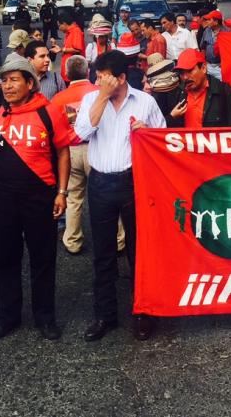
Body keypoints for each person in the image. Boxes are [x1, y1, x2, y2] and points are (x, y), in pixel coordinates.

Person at [0, 55, 74, 342]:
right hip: (1, 197)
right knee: (3, 259)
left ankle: (45, 317)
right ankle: (8, 317)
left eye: (14, 79)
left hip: (39, 196)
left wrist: (62, 193)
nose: (7, 86)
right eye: (4, 80)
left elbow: (63, 152)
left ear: (30, 83)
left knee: (43, 258)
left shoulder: (49, 112)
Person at [75, 50, 167, 342]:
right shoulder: (92, 99)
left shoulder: (145, 102)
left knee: (139, 252)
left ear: (122, 77)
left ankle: (143, 312)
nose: (99, 80)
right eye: (98, 75)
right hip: (100, 182)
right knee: (103, 254)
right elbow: (81, 133)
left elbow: (163, 139)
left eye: (105, 76)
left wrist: (147, 132)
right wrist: (102, 97)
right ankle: (105, 315)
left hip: (134, 182)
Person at [50, 55, 105, 256]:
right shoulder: (98, 92)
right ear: (87, 71)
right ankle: (117, 239)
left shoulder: (58, 98)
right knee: (105, 196)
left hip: (70, 152)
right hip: (96, 148)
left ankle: (72, 240)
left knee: (73, 197)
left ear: (66, 74)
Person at [169, 49, 231, 127]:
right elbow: (161, 129)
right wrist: (171, 118)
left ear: (203, 68)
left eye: (189, 71)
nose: (185, 77)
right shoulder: (176, 94)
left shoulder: (226, 93)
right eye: (182, 73)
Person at [55, 13, 85, 83]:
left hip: (73, 71)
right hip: (69, 70)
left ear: (64, 23)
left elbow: (77, 49)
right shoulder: (69, 32)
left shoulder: (76, 31)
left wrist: (62, 49)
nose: (59, 28)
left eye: (59, 25)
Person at [199, 9, 227, 79]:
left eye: (209, 20)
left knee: (221, 86)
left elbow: (230, 51)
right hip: (208, 65)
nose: (206, 21)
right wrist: (204, 62)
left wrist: (225, 63)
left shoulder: (227, 32)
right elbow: (203, 47)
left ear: (216, 22)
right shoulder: (206, 30)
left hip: (221, 67)